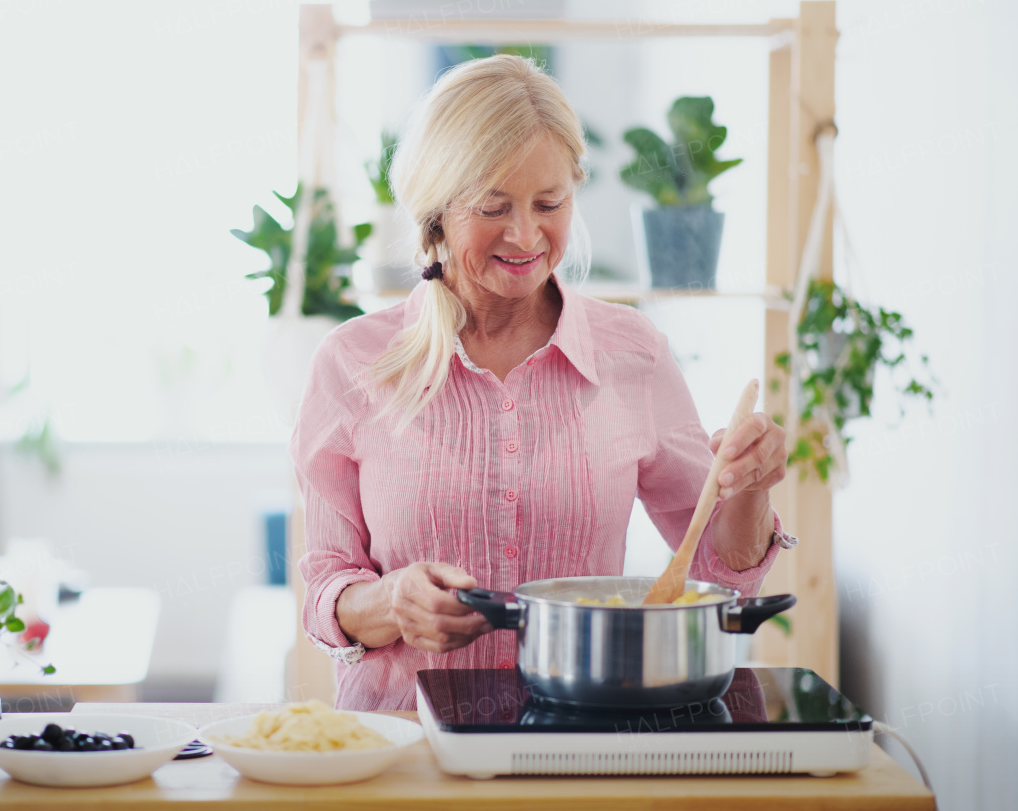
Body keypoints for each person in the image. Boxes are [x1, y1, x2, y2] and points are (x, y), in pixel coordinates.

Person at [290, 55, 794, 712]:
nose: (526, 234)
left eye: (549, 203)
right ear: (436, 213)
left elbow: (716, 574)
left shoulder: (633, 356)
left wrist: (748, 488)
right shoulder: (350, 363)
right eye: (493, 206)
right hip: (404, 751)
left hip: (581, 745)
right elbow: (328, 590)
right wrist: (391, 602)